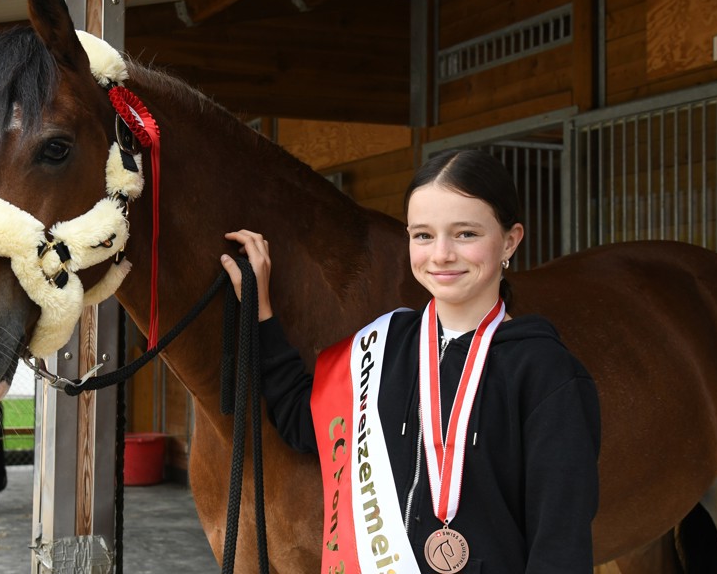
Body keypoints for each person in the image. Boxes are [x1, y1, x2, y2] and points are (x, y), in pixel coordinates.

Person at [221, 149, 600, 573]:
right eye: (423, 235)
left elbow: (560, 549)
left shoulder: (547, 375)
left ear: (510, 240)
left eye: (466, 234)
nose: (441, 254)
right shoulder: (384, 348)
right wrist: (261, 313)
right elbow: (302, 421)